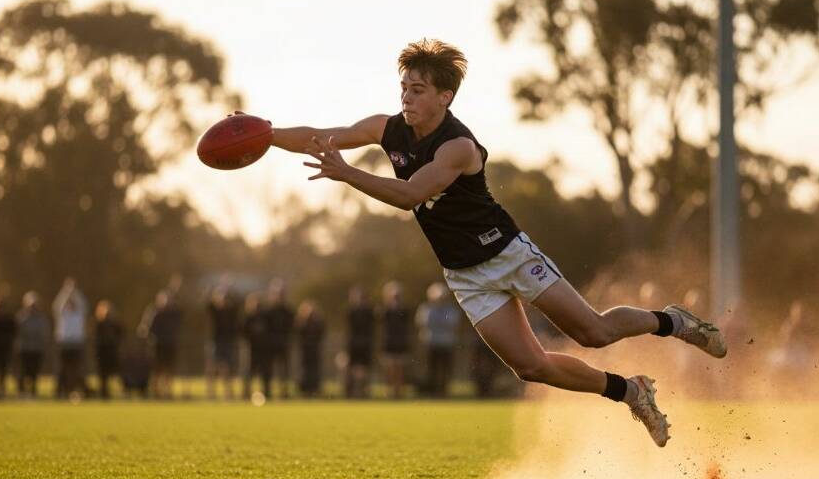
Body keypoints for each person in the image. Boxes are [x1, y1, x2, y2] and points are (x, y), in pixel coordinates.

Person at [249, 38, 727, 446]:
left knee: (594, 332)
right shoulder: (386, 128)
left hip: (508, 253)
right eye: (403, 88)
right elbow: (321, 136)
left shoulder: (458, 147)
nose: (406, 99)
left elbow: (411, 194)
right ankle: (631, 392)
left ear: (445, 97)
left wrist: (347, 174)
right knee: (530, 367)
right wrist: (265, 134)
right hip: (465, 274)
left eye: (417, 90)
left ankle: (673, 320)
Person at [415, 283, 461, 398]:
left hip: (446, 343)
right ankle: (431, 391)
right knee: (431, 368)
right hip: (430, 343)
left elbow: (452, 323)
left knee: (445, 369)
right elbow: (423, 322)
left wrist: (437, 322)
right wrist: (440, 321)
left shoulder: (451, 309)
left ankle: (443, 391)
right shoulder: (426, 308)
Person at [52, 278, 88, 398]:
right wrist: (66, 291)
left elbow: (82, 303)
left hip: (76, 344)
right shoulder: (63, 313)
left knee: (76, 369)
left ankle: (75, 390)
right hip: (64, 343)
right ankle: (61, 391)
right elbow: (58, 305)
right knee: (62, 369)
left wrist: (74, 291)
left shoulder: (79, 314)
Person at [206, 283, 240, 399]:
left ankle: (228, 392)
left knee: (227, 368)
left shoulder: (231, 312)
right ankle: (211, 392)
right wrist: (214, 290)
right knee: (212, 368)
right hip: (215, 342)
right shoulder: (214, 311)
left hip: (228, 342)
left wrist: (229, 288)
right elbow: (207, 302)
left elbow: (237, 302)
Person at [147, 290, 183, 399]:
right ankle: (156, 391)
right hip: (158, 344)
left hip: (170, 343)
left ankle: (167, 391)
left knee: (169, 368)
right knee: (157, 369)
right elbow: (148, 329)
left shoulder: (174, 314)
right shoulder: (155, 313)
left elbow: (179, 314)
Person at [16, 292, 51, 398]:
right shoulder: (21, 316)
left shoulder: (41, 318)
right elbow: (18, 332)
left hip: (37, 349)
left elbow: (45, 333)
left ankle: (33, 391)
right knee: (23, 371)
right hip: (24, 348)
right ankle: (22, 391)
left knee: (34, 371)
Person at [381, 281, 412, 398]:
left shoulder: (404, 310)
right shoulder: (386, 310)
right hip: (389, 343)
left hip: (401, 343)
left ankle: (399, 391)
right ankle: (390, 391)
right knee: (390, 368)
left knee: (400, 368)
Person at [265, 279, 295, 398]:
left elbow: (292, 328)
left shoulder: (288, 311)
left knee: (284, 370)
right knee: (269, 370)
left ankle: (284, 392)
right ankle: (268, 392)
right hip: (270, 345)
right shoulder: (268, 311)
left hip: (283, 344)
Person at [344, 286, 375, 399]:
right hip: (353, 346)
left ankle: (364, 392)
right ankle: (351, 393)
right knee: (351, 370)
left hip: (365, 345)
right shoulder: (350, 312)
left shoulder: (369, 312)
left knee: (364, 371)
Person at [242, 292, 273, 400]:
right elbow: (243, 331)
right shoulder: (248, 317)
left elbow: (271, 331)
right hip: (252, 349)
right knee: (249, 372)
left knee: (266, 372)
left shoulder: (267, 317)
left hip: (264, 350)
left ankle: (267, 392)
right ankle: (246, 393)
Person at [0, 294, 18, 399]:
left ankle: (1, 390)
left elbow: (14, 333)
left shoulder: (9, 320)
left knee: (3, 370)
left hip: (5, 349)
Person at [94, 300, 125, 399]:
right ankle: (103, 392)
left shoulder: (116, 324)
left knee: (117, 374)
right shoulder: (99, 324)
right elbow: (96, 338)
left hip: (112, 352)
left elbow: (121, 335)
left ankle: (121, 391)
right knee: (103, 375)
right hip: (102, 352)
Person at [296, 301, 325, 397]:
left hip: (315, 350)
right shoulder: (301, 323)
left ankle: (314, 388)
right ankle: (304, 390)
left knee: (314, 370)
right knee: (304, 370)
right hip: (305, 350)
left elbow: (321, 333)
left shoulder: (318, 323)